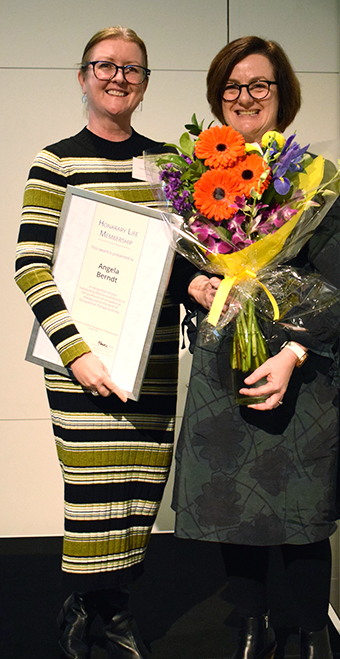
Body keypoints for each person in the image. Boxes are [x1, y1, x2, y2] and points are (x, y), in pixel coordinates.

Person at [172, 36, 340, 659]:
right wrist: (194, 283)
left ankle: (309, 628)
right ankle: (254, 624)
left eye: (259, 84)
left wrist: (288, 355)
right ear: (218, 96)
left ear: (282, 93)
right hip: (227, 356)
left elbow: (332, 281)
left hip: (302, 363)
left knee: (302, 508)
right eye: (233, 87)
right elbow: (186, 267)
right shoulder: (198, 174)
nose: (245, 97)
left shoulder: (316, 178)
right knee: (235, 502)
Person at [15, 26, 192, 659]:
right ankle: (90, 604)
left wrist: (200, 286)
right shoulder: (55, 160)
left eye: (132, 70)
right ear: (83, 75)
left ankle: (114, 607)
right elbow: (30, 263)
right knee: (92, 492)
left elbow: (188, 259)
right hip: (80, 362)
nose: (119, 78)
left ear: (145, 84)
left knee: (142, 489)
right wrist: (78, 354)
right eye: (106, 66)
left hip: (152, 360)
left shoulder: (174, 163)